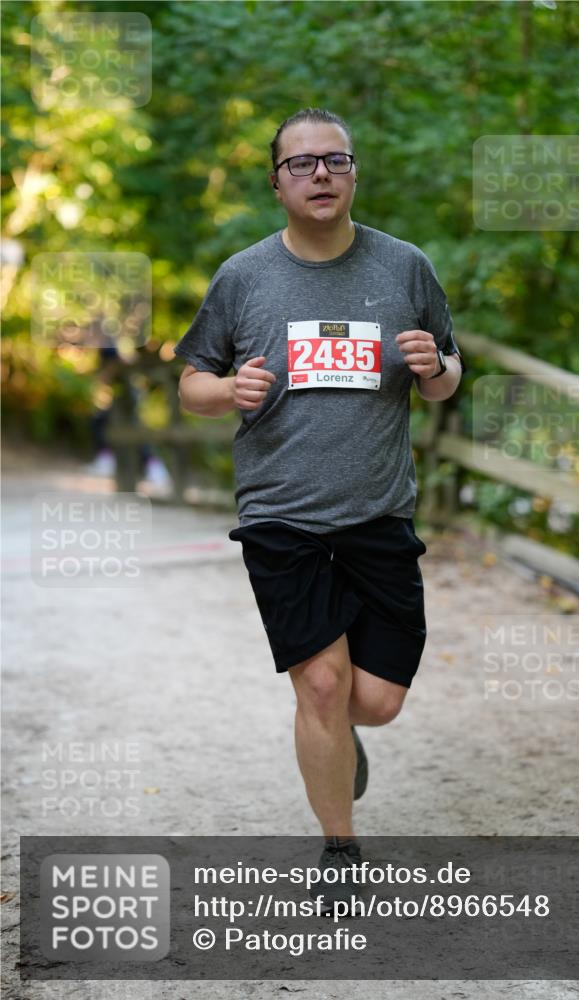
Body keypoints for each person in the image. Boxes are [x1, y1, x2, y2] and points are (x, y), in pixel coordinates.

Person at [174, 108, 465, 909]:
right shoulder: (243, 277)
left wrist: (432, 365)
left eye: (334, 160)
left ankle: (343, 745)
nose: (320, 174)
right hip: (279, 514)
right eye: (300, 165)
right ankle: (340, 851)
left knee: (376, 701)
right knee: (323, 689)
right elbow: (191, 381)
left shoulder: (404, 267)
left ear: (353, 172)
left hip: (377, 512)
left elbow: (447, 376)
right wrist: (227, 390)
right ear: (276, 182)